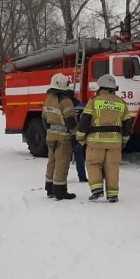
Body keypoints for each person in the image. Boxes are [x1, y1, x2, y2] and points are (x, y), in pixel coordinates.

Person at [76, 74, 133, 203]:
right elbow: (128, 125)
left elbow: (84, 121)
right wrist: (124, 140)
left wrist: (80, 138)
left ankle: (97, 190)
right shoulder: (121, 103)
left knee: (93, 164)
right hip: (115, 142)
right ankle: (113, 194)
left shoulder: (94, 101)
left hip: (96, 141)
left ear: (101, 88)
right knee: (112, 166)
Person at [43, 73, 78, 200]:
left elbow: (44, 119)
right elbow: (71, 121)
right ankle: (60, 191)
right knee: (62, 164)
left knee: (51, 162)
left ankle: (49, 188)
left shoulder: (48, 98)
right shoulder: (65, 101)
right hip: (63, 138)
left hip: (50, 136)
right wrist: (75, 135)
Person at [71, 95, 87, 183]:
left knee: (64, 158)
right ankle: (82, 177)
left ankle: (61, 177)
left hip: (67, 134)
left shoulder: (64, 104)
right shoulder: (81, 105)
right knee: (80, 157)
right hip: (78, 135)